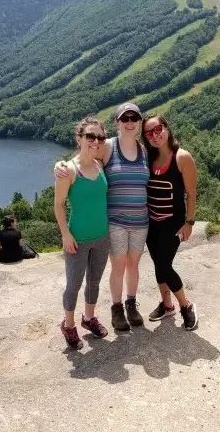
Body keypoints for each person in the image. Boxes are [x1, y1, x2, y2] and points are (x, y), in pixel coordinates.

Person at [55, 103, 149, 332]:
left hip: (122, 227)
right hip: (98, 228)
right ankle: (80, 321)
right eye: (124, 118)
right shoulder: (103, 150)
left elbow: (87, 156)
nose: (95, 141)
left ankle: (108, 312)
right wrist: (59, 165)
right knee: (84, 279)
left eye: (133, 118)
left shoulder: (137, 152)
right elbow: (79, 161)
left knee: (113, 274)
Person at [55, 115, 110, 350]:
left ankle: (88, 319)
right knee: (74, 284)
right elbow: (58, 205)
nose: (95, 141)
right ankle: (68, 324)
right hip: (78, 238)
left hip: (102, 236)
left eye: (100, 137)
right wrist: (66, 234)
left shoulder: (100, 164)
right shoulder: (69, 170)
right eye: (90, 136)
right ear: (79, 139)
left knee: (94, 282)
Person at [141, 113, 199, 330]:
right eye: (149, 133)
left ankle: (186, 305)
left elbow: (191, 194)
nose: (155, 135)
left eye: (158, 129)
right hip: (151, 223)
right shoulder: (148, 158)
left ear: (166, 128)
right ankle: (167, 306)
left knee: (164, 266)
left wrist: (189, 223)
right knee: (158, 265)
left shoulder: (182, 157)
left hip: (172, 223)